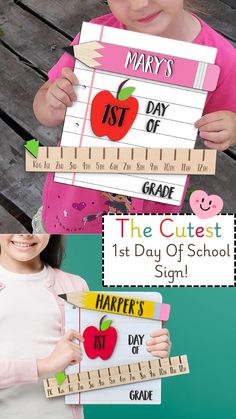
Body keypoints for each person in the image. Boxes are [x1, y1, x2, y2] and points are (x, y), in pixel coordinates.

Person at [33, 0, 236, 234]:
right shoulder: (95, 42)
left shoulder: (220, 59)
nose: (139, 4)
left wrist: (231, 128)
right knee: (64, 262)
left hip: (148, 209)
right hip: (73, 200)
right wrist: (52, 104)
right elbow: (43, 105)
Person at [0, 234, 171, 419]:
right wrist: (44, 365)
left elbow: (96, 363)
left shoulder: (74, 285)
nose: (25, 233)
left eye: (36, 222)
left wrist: (148, 350)